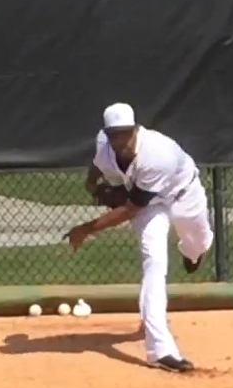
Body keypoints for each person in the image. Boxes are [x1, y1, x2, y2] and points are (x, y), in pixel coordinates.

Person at [65, 102, 214, 373]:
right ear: (107, 133)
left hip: (183, 195)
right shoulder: (104, 143)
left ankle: (193, 253)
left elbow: (131, 208)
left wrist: (86, 228)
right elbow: (99, 164)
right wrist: (92, 184)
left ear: (135, 129)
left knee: (198, 243)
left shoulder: (157, 154)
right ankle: (161, 350)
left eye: (125, 132)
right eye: (114, 134)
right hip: (151, 207)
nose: (119, 139)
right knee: (154, 263)